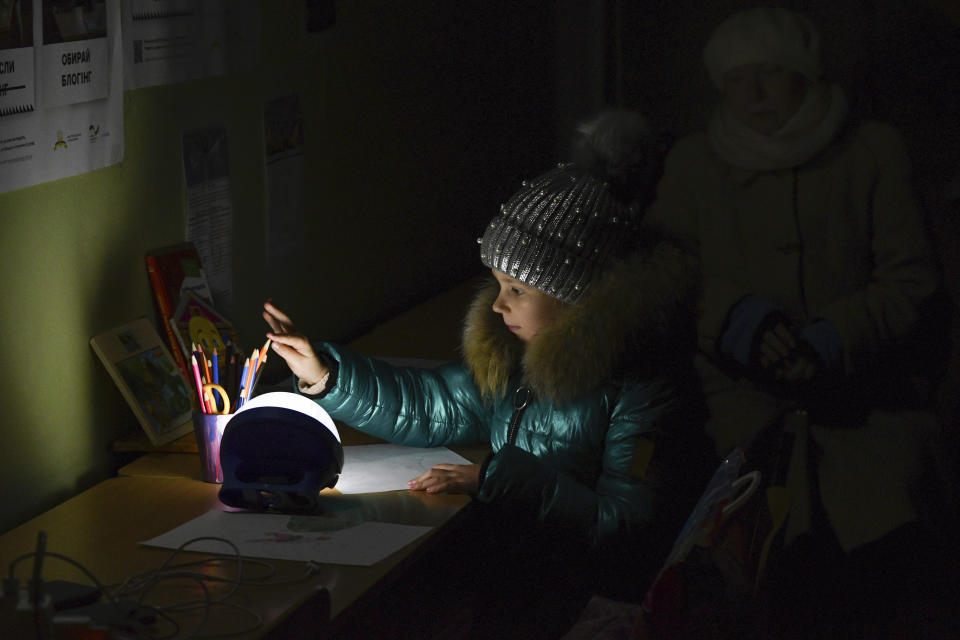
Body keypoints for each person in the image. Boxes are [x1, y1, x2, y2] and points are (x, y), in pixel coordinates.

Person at [263, 110, 709, 638]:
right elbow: (433, 405)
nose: (498, 305)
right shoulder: (521, 356)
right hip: (521, 580)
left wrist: (494, 477)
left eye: (517, 290)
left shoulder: (643, 388)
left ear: (581, 299)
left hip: (583, 601)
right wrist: (325, 375)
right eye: (497, 284)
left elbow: (628, 529)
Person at [645, 7, 955, 637]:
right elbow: (665, 275)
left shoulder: (872, 152)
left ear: (805, 77)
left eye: (771, 74)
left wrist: (836, 336)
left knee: (882, 573)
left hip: (865, 407)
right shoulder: (694, 165)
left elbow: (912, 279)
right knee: (754, 576)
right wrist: (739, 323)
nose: (753, 94)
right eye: (737, 79)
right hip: (740, 412)